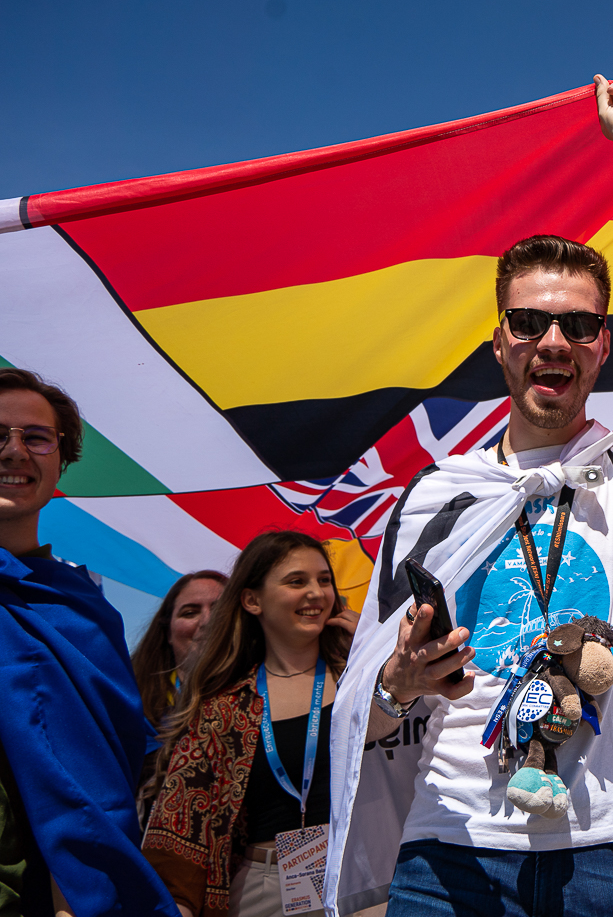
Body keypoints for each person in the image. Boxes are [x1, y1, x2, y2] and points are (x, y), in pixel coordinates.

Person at [325, 80, 613, 917]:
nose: (555, 341)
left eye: (579, 326)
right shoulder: (439, 496)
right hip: (454, 849)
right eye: (531, 324)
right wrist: (401, 680)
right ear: (500, 346)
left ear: (603, 348)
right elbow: (367, 714)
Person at [0, 367, 179, 916]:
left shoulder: (85, 611)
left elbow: (109, 764)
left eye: (36, 437)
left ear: (60, 462)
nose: (14, 452)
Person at [142, 530, 356, 917]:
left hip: (364, 874)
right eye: (297, 581)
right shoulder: (222, 708)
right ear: (252, 600)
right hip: (268, 888)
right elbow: (179, 832)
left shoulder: (362, 678)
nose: (316, 593)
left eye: (324, 580)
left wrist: (371, 647)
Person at [132, 570, 229, 726]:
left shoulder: (270, 693)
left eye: (220, 610)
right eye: (190, 613)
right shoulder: (130, 702)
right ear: (168, 633)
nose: (207, 622)